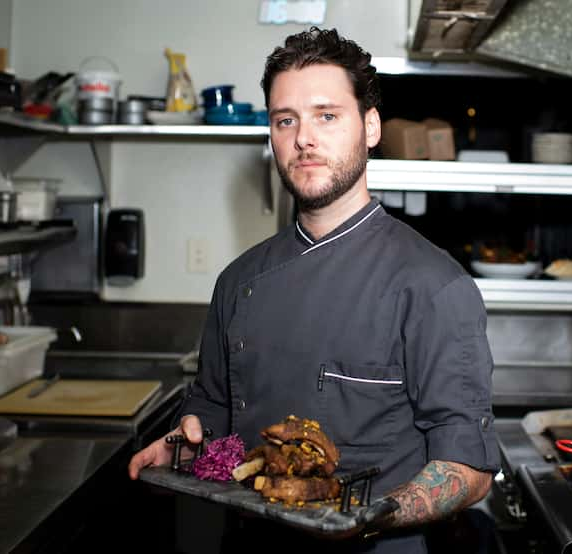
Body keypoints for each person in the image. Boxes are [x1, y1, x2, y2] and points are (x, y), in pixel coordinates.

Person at [129, 27, 500, 553]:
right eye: (286, 120)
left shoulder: (433, 285)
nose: (304, 138)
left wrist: (367, 517)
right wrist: (182, 442)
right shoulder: (237, 281)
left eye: (327, 116)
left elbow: (469, 466)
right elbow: (211, 404)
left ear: (370, 127)